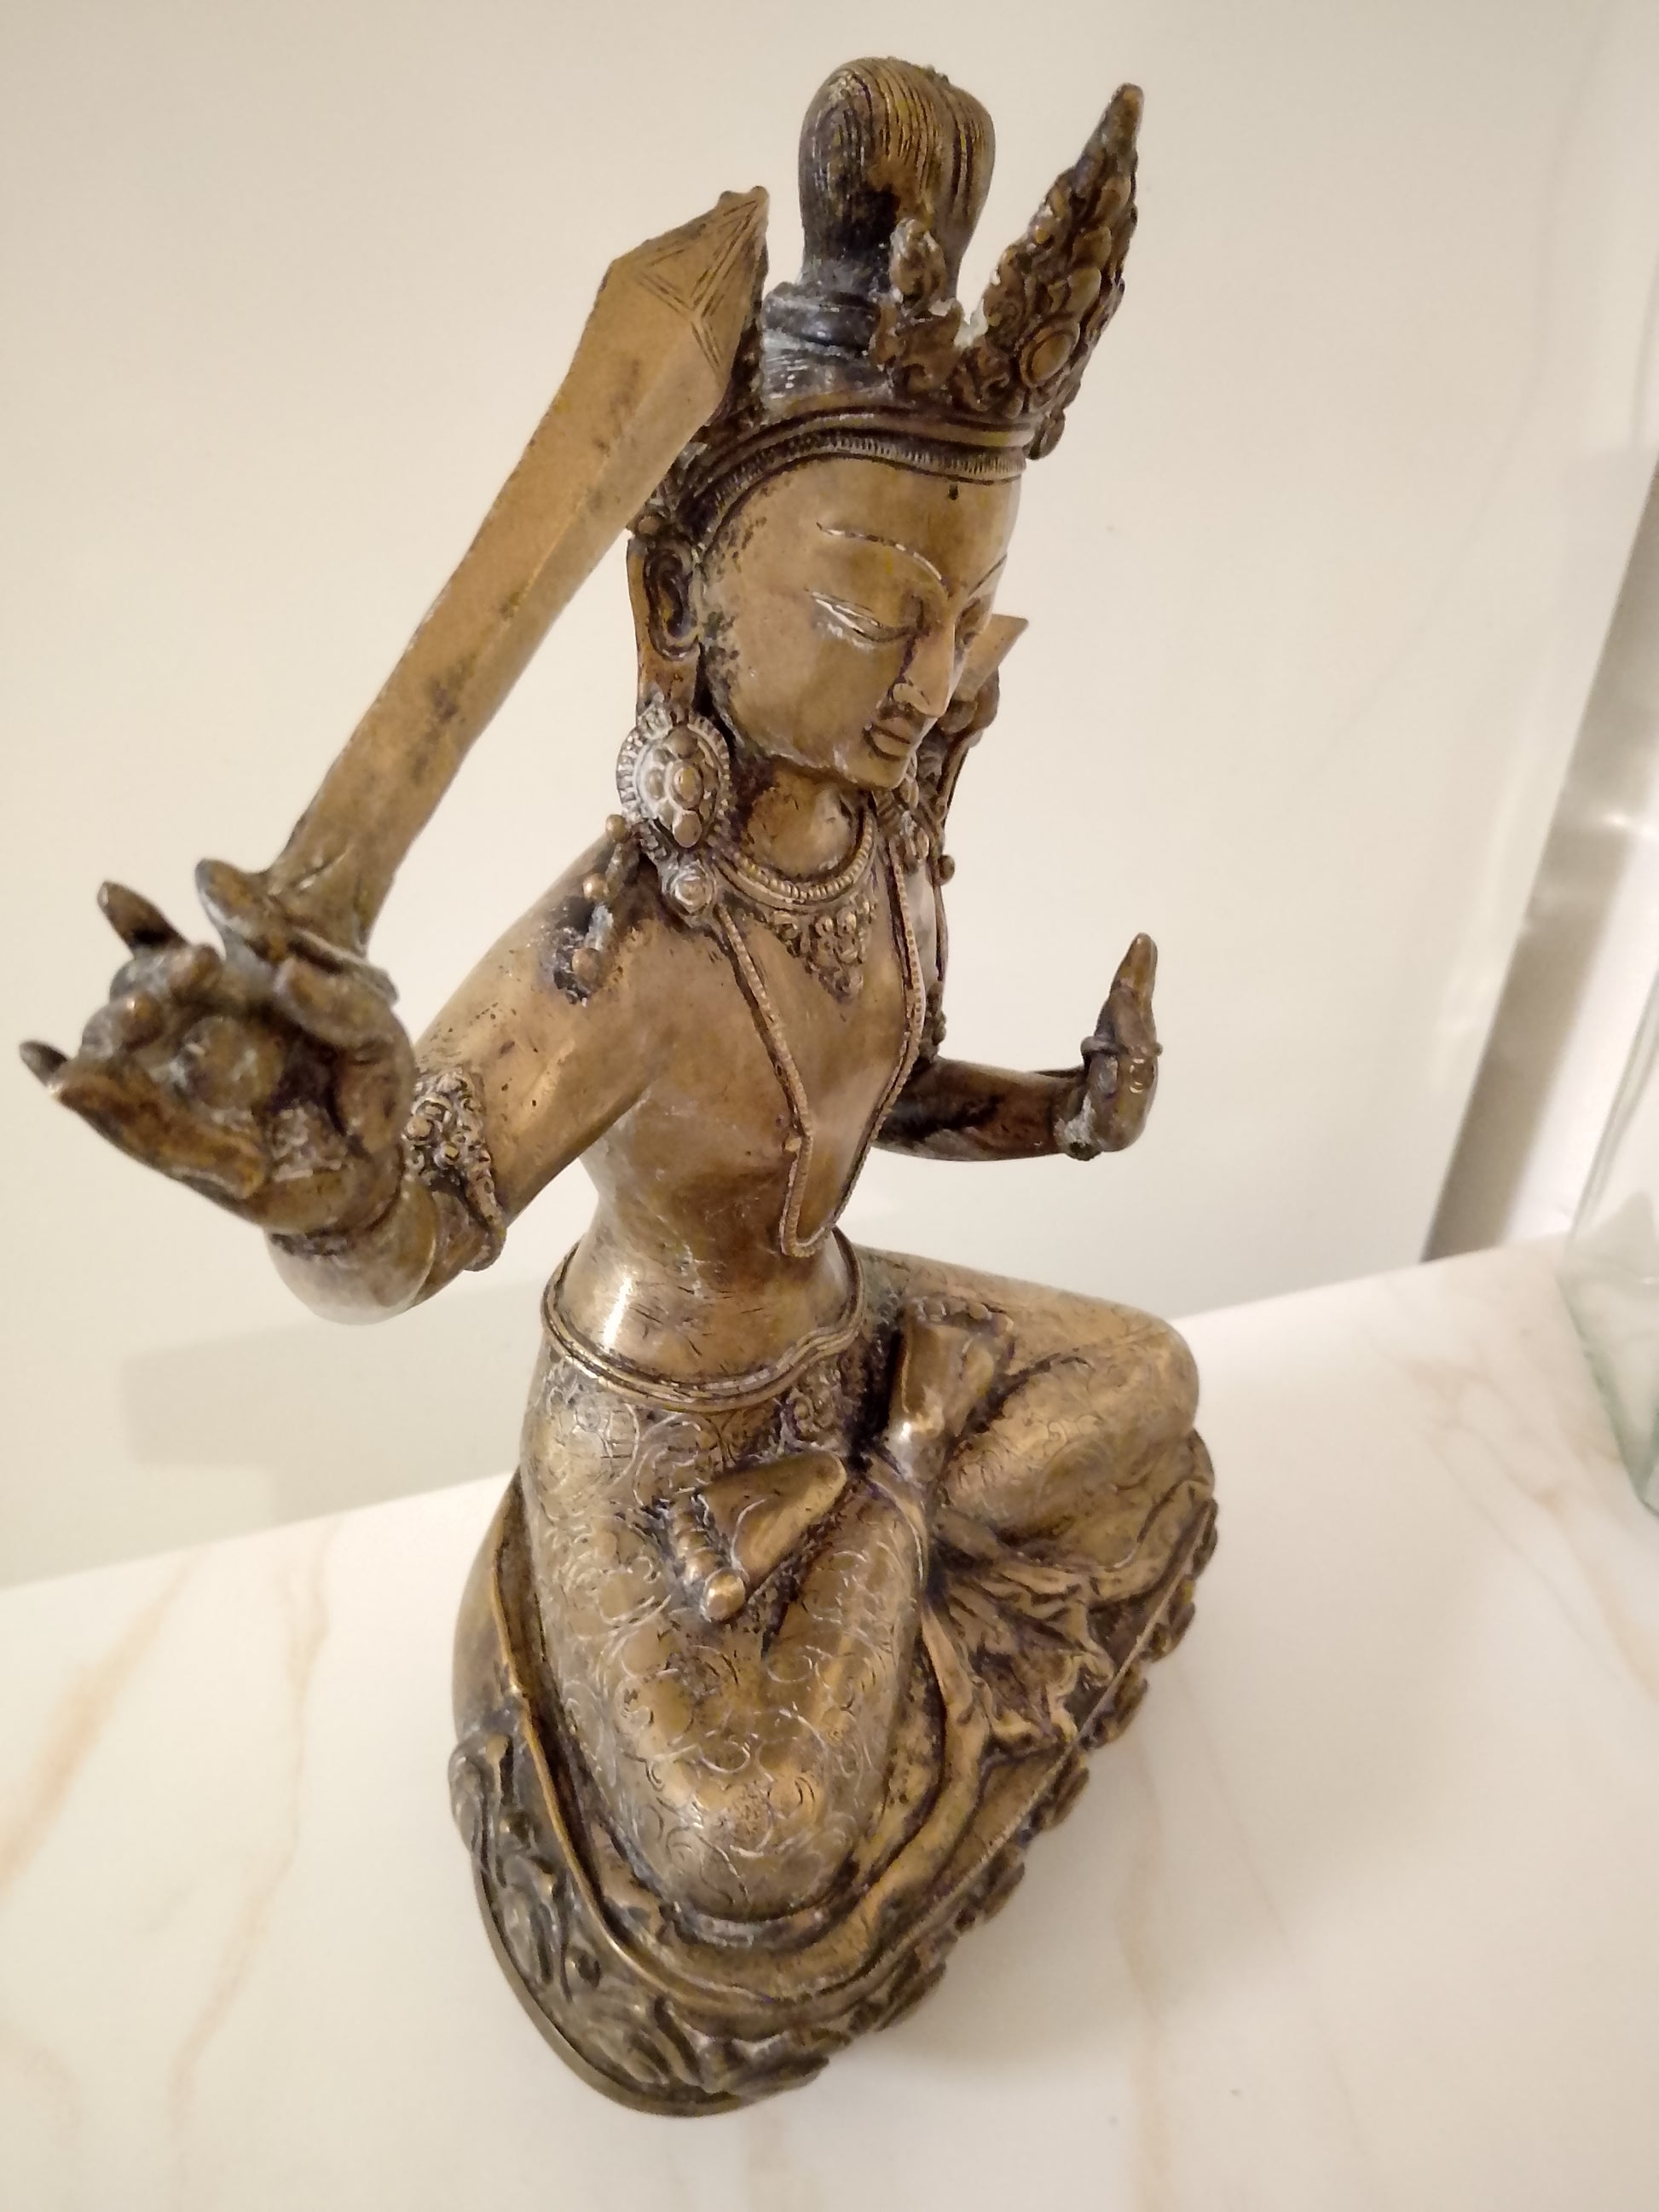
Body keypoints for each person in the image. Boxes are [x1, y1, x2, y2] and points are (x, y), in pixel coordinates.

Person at [26, 58, 1214, 2110]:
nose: (928, 680)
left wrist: (1053, 1109)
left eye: (962, 619)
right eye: (870, 610)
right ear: (682, 604)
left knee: (1154, 1382)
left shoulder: (885, 848)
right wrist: (317, 1176)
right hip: (652, 1438)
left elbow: (859, 1106)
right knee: (747, 1840)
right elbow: (413, 1226)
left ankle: (880, 1491)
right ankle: (890, 1510)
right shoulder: (621, 946)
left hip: (850, 1338)